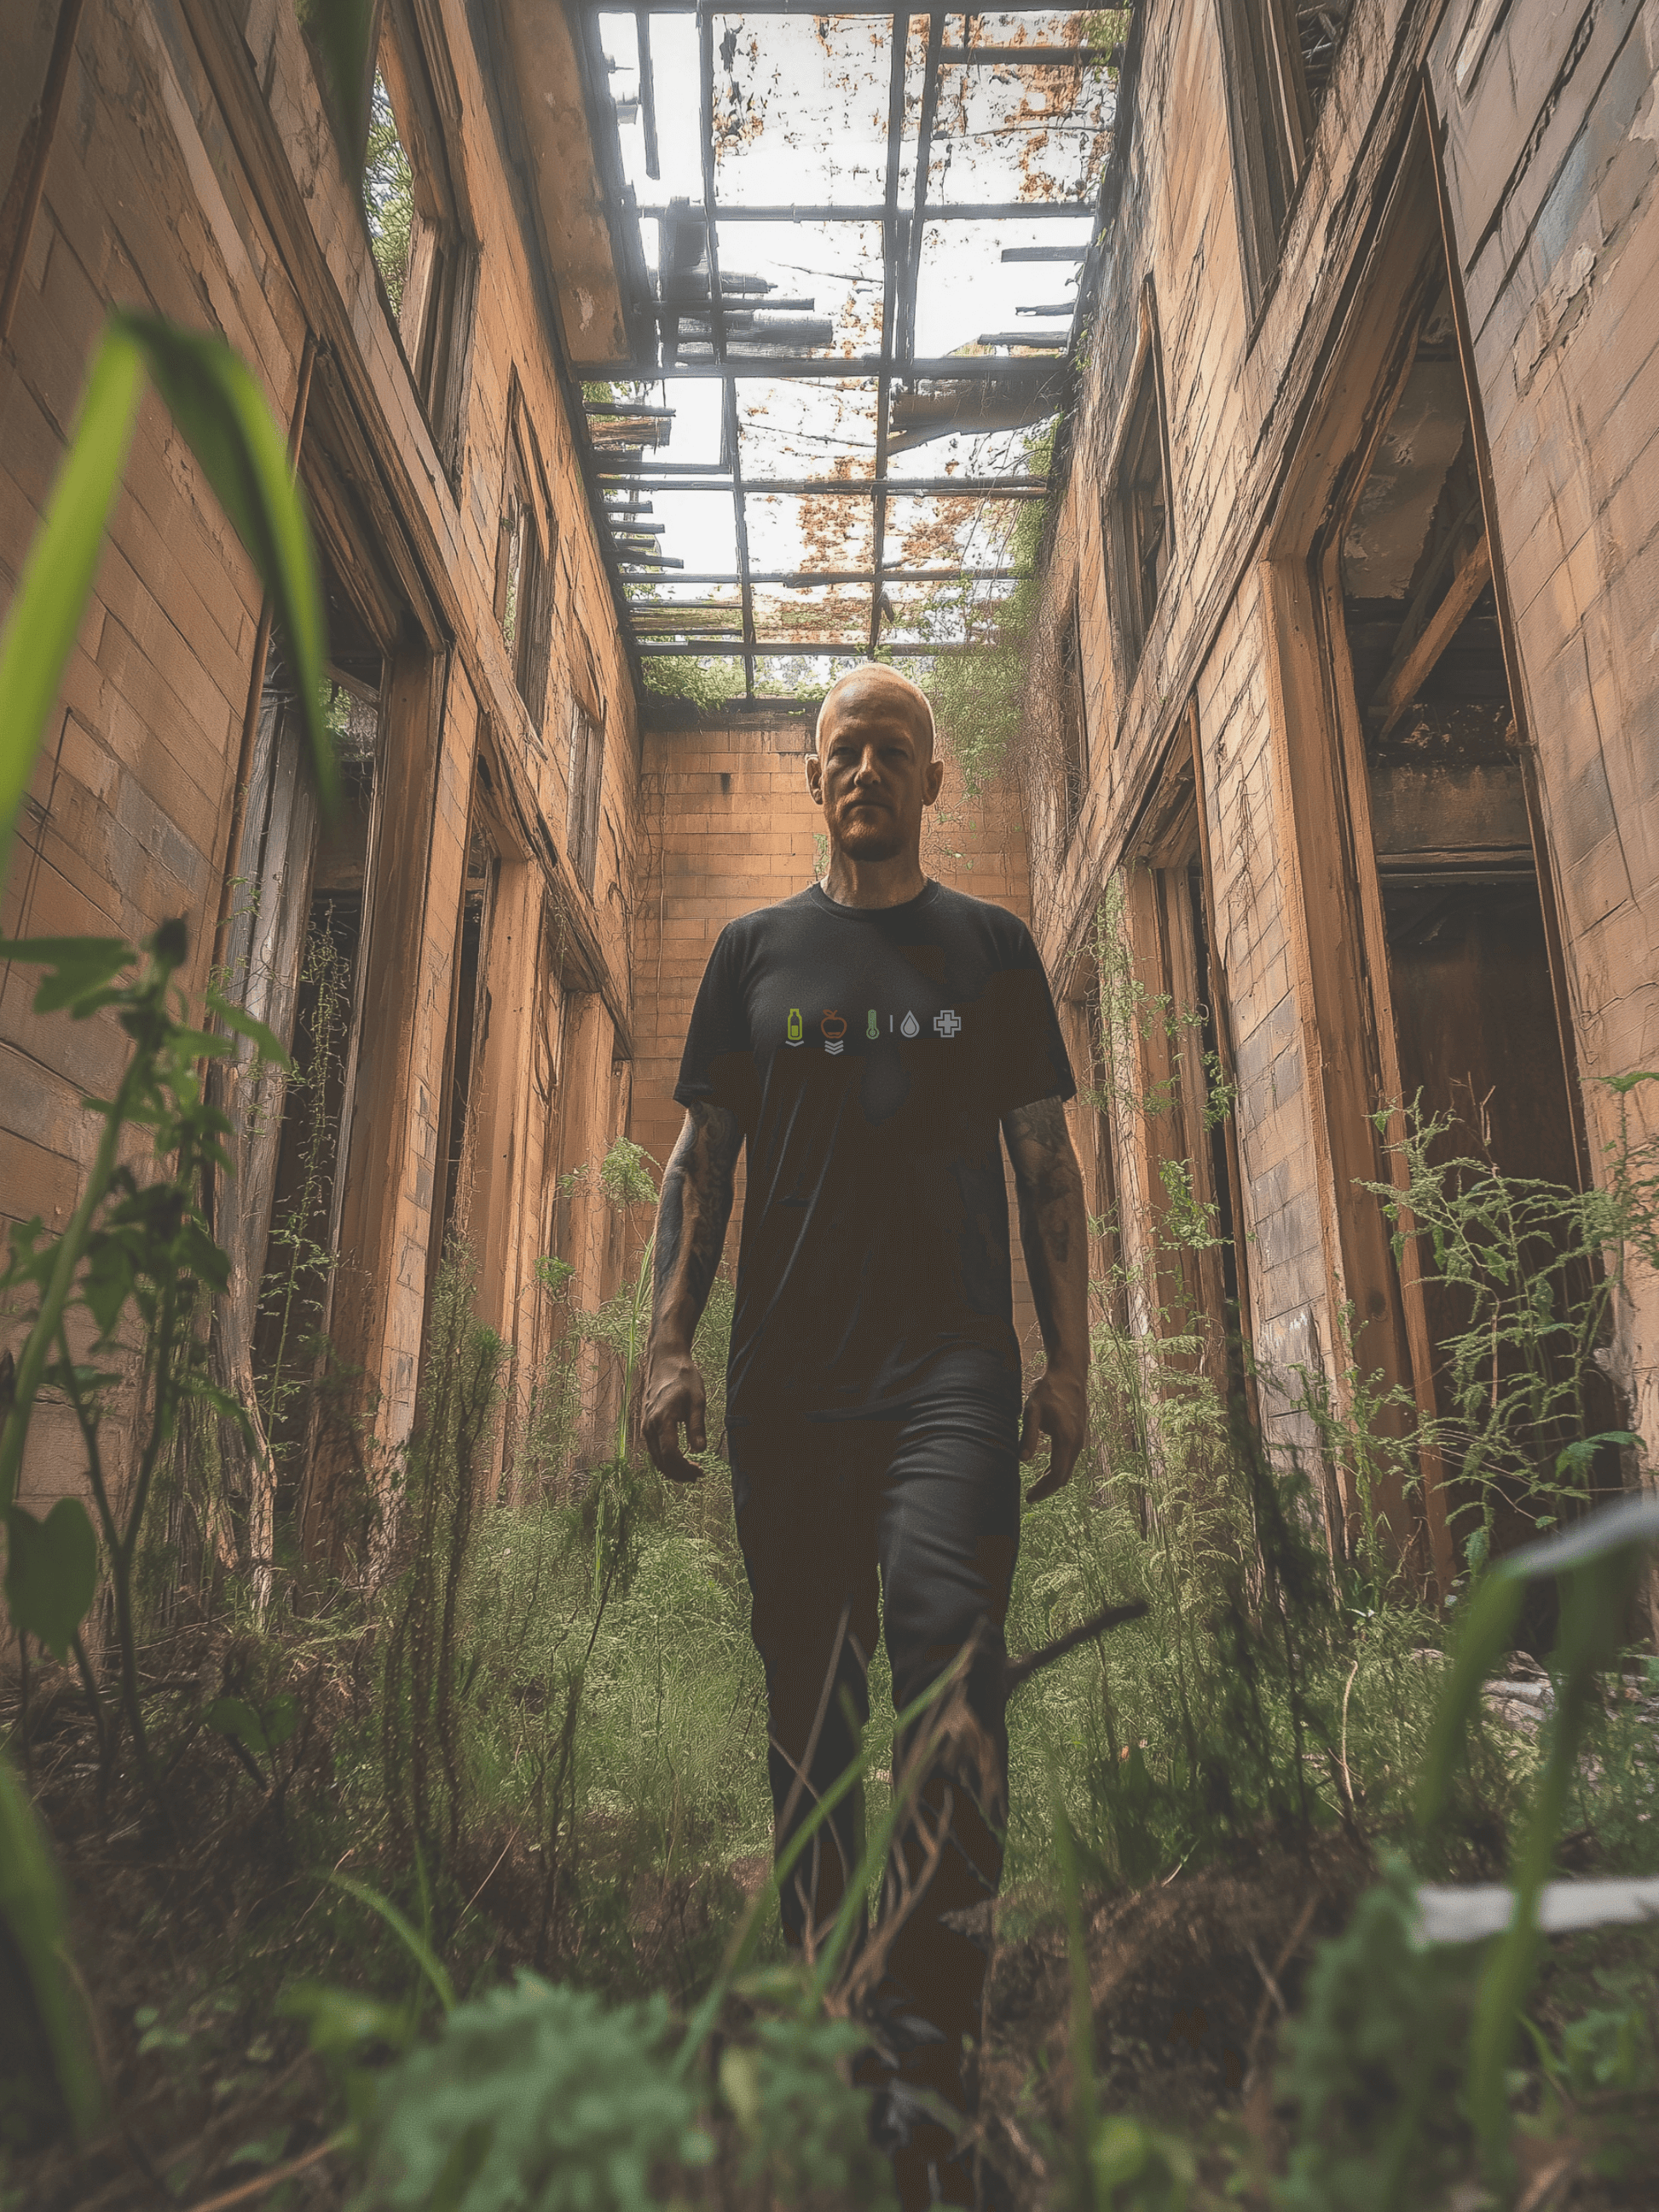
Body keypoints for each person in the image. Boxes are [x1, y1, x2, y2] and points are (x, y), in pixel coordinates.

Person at [641, 663, 1089, 2210]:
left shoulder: (991, 946)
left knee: (950, 1653)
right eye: (843, 749)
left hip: (952, 1375)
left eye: (893, 748)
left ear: (935, 776)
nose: (866, 769)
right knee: (809, 1711)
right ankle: (830, 2014)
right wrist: (659, 1351)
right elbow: (696, 1170)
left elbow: (1048, 1168)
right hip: (786, 1393)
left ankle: (931, 2052)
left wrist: (1069, 1362)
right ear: (809, 773)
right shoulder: (751, 949)